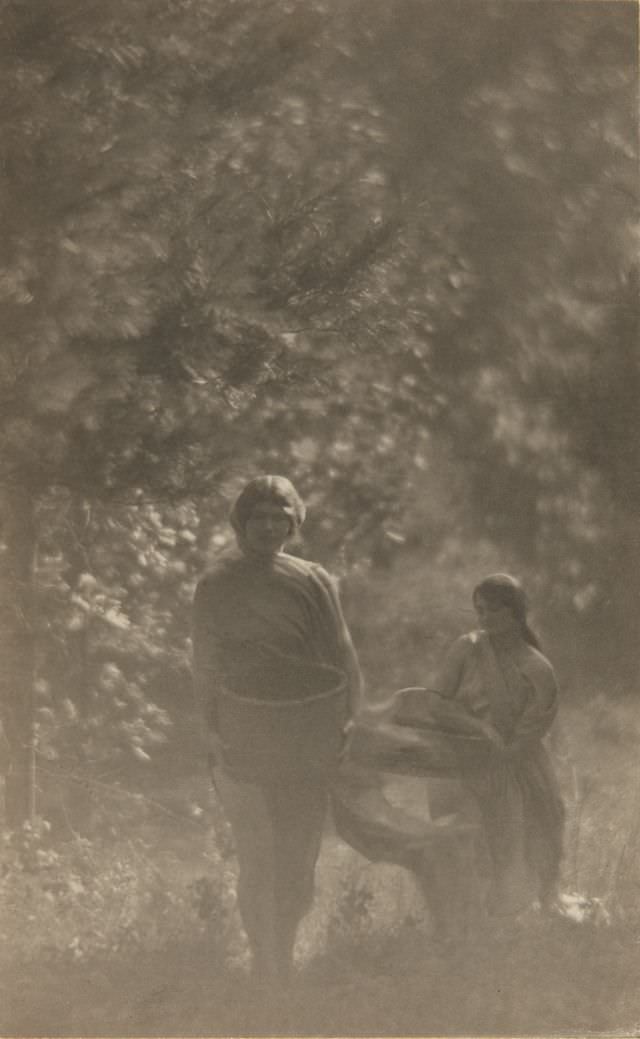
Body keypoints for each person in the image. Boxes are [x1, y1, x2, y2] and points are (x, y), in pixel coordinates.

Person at [192, 476, 363, 987]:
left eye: (278, 518)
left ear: (293, 522)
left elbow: (343, 652)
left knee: (297, 851)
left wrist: (351, 715)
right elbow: (204, 660)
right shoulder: (217, 584)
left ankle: (282, 954)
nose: (268, 528)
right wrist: (208, 727)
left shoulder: (313, 580)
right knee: (257, 848)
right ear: (241, 523)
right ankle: (264, 961)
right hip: (243, 730)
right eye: (257, 518)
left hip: (304, 727)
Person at [428, 573, 565, 919]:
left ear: (515, 613)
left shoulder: (537, 669)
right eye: (479, 611)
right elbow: (436, 703)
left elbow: (526, 736)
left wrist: (500, 754)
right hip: (460, 759)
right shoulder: (467, 648)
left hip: (515, 764)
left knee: (532, 833)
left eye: (491, 611)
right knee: (460, 838)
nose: (483, 619)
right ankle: (463, 921)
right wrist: (478, 727)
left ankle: (517, 916)